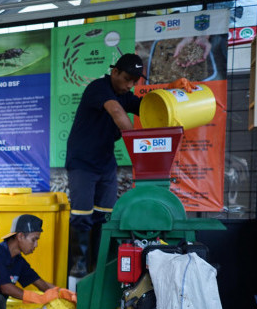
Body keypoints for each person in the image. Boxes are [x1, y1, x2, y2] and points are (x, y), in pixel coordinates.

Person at [64, 53, 192, 278]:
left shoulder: (125, 94)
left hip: (105, 164)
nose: (130, 85)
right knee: (82, 213)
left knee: (105, 215)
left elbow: (149, 105)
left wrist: (172, 89)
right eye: (127, 79)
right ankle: (79, 266)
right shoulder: (99, 88)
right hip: (82, 163)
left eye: (135, 81)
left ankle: (100, 265)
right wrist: (139, 145)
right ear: (114, 72)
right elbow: (116, 112)